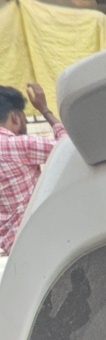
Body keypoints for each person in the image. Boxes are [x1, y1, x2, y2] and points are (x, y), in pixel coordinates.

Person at [0, 82, 63, 256]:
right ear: (15, 117)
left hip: (13, 249)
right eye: (24, 116)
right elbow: (69, 148)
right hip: (40, 238)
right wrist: (44, 110)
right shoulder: (17, 145)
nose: (26, 121)